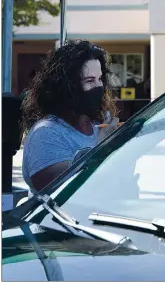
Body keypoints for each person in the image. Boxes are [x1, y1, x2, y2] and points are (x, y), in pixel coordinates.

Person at [21, 39, 119, 196]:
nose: (99, 86)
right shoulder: (46, 133)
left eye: (100, 79)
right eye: (89, 80)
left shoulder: (96, 125)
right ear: (67, 86)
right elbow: (61, 191)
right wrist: (102, 146)